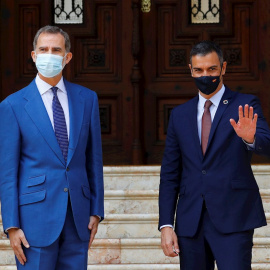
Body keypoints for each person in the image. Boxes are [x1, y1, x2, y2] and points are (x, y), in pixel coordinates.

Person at [159, 40, 270, 270]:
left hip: (234, 216)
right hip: (191, 222)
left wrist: (250, 138)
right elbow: (170, 173)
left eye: (211, 69)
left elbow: (267, 144)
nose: (205, 75)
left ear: (223, 68)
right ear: (190, 70)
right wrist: (166, 224)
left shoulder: (245, 104)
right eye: (198, 70)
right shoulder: (179, 115)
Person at [0, 25, 104, 269]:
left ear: (67, 57)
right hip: (33, 221)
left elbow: (94, 159)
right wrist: (11, 225)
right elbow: (7, 172)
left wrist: (96, 211)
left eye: (55, 50)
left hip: (78, 218)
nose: (49, 54)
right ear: (34, 56)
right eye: (43, 49)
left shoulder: (87, 99)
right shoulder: (13, 105)